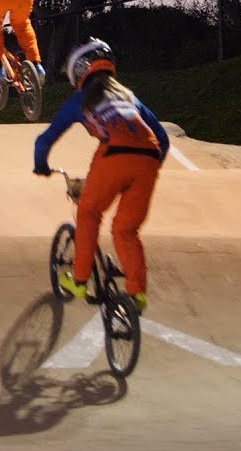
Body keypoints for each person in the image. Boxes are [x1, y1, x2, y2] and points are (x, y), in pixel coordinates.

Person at [32, 38, 169, 313]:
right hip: (149, 159)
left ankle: (80, 280)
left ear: (80, 69)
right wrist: (145, 167)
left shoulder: (80, 101)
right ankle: (137, 294)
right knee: (125, 229)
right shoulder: (129, 96)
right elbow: (162, 139)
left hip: (114, 154)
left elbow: (45, 140)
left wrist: (41, 165)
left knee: (89, 213)